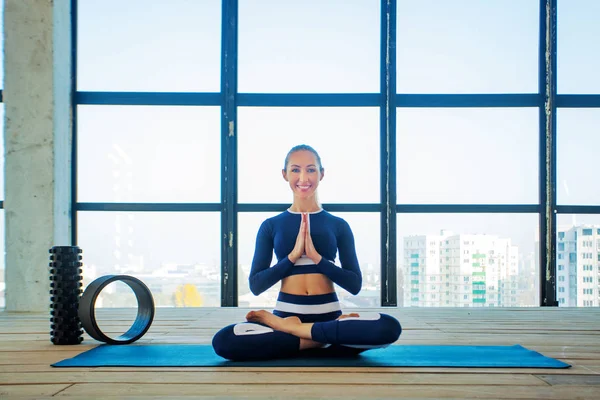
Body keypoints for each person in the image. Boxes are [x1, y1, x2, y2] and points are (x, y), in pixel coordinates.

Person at [212, 144, 401, 361]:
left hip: (328, 320)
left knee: (389, 327)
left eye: (311, 169)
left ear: (322, 174)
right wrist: (292, 256)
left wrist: (316, 257)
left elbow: (354, 284)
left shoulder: (338, 225)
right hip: (295, 317)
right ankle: (321, 341)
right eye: (295, 169)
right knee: (225, 341)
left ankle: (296, 335)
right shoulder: (271, 225)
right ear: (285, 174)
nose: (304, 177)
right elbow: (256, 285)